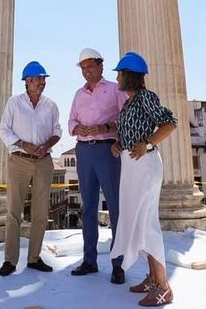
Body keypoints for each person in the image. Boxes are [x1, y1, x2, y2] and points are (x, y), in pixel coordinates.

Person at [109, 52, 177, 307]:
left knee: (148, 222)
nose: (117, 77)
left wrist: (147, 144)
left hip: (145, 166)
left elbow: (170, 123)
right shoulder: (129, 103)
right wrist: (119, 144)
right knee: (138, 222)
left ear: (130, 76)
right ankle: (151, 278)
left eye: (119, 73)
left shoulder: (146, 97)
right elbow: (132, 132)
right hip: (131, 167)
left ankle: (163, 287)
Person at [67, 48, 127, 284]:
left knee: (115, 207)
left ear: (101, 66)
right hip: (84, 152)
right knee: (88, 207)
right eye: (83, 68)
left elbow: (125, 119)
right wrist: (76, 128)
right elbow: (71, 119)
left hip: (107, 150)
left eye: (90, 66)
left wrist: (105, 129)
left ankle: (118, 265)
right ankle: (89, 261)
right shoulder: (78, 94)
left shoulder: (115, 90)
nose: (86, 71)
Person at [0, 61, 62, 276]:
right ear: (27, 81)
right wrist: (23, 144)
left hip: (44, 161)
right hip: (19, 160)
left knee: (41, 212)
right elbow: (4, 130)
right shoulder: (14, 103)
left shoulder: (51, 105)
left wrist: (48, 145)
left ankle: (34, 258)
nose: (42, 82)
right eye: (37, 79)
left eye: (43, 79)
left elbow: (57, 131)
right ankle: (10, 261)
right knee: (14, 211)